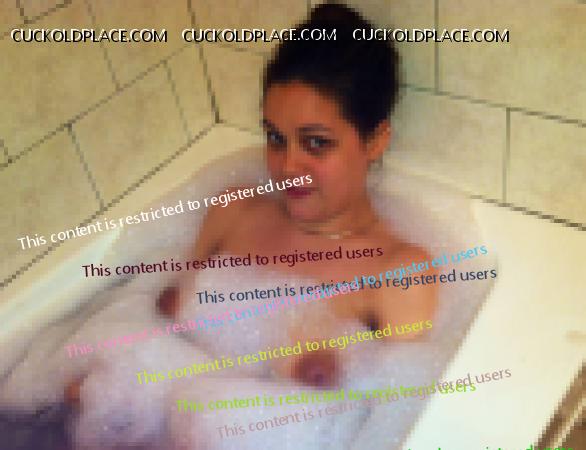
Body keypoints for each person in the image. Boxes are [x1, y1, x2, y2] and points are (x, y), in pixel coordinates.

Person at [169, 1, 438, 387]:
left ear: (375, 141)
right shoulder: (232, 211)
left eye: (316, 143)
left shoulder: (398, 274)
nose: (288, 166)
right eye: (276, 138)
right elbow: (165, 335)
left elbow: (393, 410)